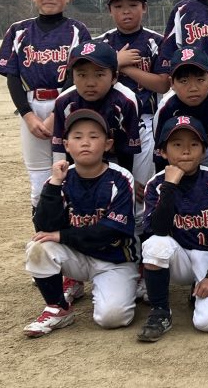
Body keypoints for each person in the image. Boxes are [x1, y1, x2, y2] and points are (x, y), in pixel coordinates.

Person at [22, 110, 138, 337]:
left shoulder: (121, 178)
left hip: (115, 260)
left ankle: (115, 287)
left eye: (94, 137)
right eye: (77, 137)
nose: (85, 142)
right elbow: (44, 226)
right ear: (66, 145)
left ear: (108, 144)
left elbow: (113, 230)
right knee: (38, 247)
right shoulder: (59, 179)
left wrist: (63, 236)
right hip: (77, 256)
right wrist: (55, 184)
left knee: (112, 318)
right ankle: (58, 307)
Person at [0, 0, 91, 208]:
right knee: (37, 178)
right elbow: (12, 76)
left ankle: (69, 234)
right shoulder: (18, 31)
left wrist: (56, 113)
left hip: (68, 106)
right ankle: (42, 234)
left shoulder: (77, 30)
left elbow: (78, 75)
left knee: (66, 170)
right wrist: (27, 115)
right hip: (32, 107)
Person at [138, 115, 208, 341]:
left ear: (203, 150)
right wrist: (170, 186)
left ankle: (197, 291)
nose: (186, 151)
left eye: (193, 144)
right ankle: (160, 311)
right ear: (163, 152)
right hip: (176, 257)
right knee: (154, 245)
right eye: (177, 145)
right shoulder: (156, 184)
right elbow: (157, 230)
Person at [97, 0, 168, 206]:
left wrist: (125, 67)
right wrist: (114, 61)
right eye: (118, 6)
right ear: (109, 10)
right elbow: (89, 80)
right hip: (107, 123)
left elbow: (163, 84)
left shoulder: (156, 41)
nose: (126, 11)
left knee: (140, 188)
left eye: (133, 5)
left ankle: (138, 236)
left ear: (144, 7)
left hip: (143, 122)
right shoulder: (102, 43)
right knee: (108, 184)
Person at [50, 41, 141, 177]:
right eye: (82, 75)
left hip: (118, 153)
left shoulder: (126, 100)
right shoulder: (64, 101)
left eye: (99, 75)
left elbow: (127, 151)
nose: (90, 83)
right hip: (80, 154)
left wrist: (127, 180)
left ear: (114, 77)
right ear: (72, 77)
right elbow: (62, 149)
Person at [154, 47, 208, 173]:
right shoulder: (166, 107)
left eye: (200, 80)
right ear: (171, 83)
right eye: (183, 81)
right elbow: (160, 151)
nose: (193, 88)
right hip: (179, 150)